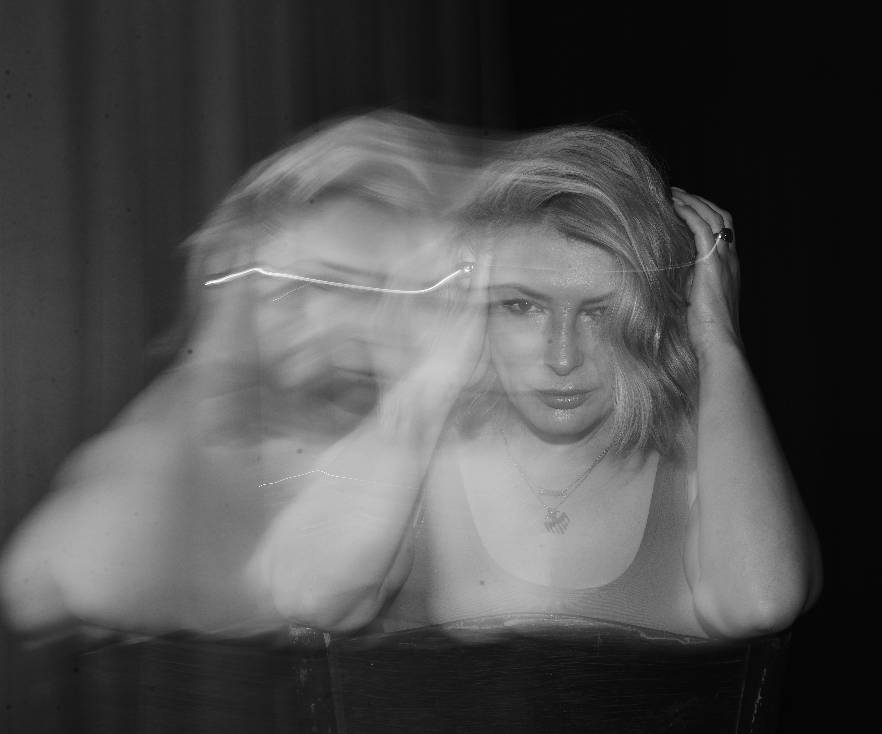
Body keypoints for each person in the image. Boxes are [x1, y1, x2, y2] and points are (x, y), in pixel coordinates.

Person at [263, 126, 824, 639]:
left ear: (656, 314)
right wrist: (432, 371)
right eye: (522, 306)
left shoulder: (707, 462)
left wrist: (718, 341)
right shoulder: (412, 463)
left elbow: (762, 604)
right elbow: (311, 598)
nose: (562, 356)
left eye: (600, 312)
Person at [0, 111, 488, 637]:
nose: (330, 320)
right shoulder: (192, 425)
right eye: (298, 287)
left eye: (365, 290)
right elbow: (43, 585)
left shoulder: (443, 441)